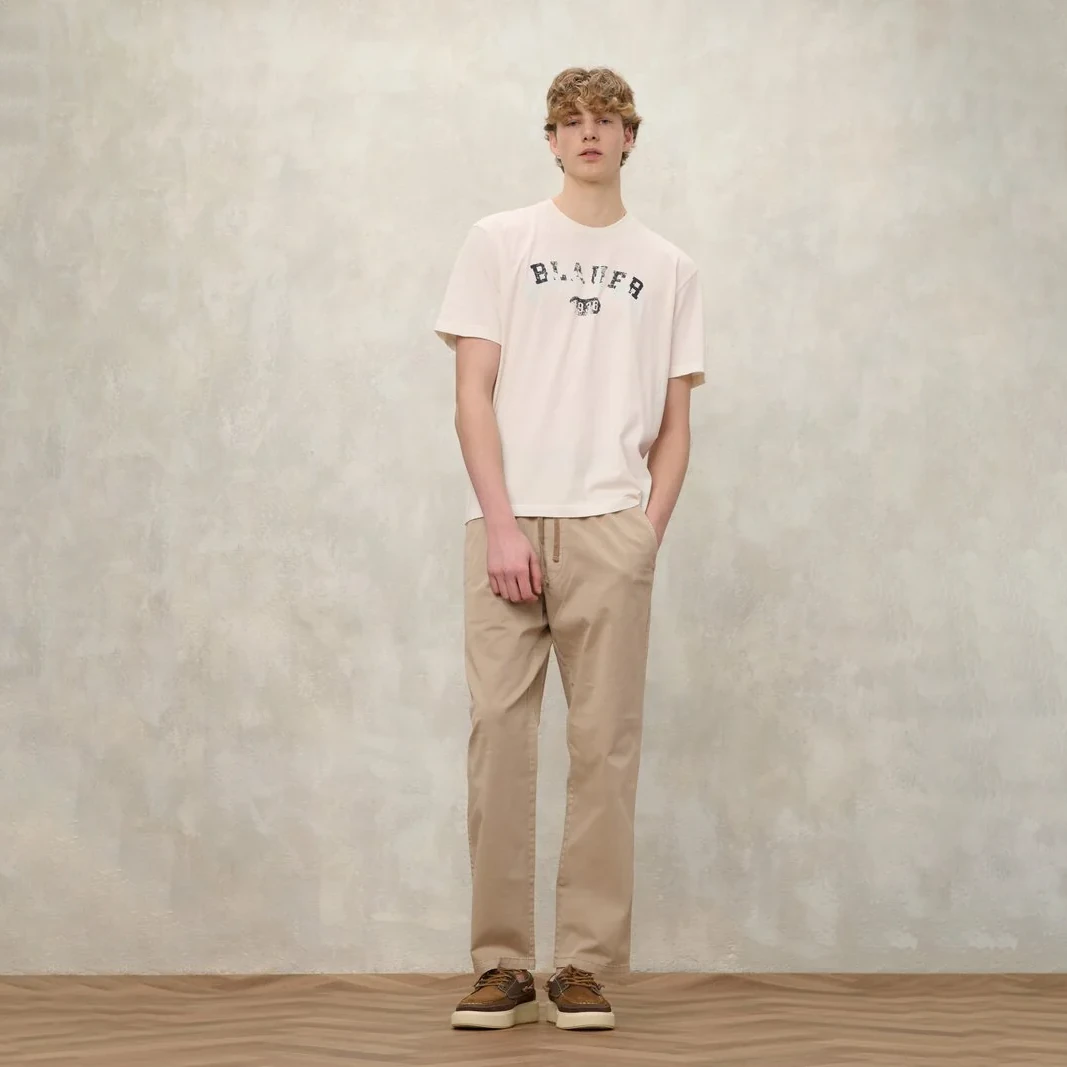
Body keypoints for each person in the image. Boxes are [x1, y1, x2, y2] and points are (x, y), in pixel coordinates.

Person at [434, 66, 705, 1032]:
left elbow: (674, 422)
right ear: (549, 140)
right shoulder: (500, 240)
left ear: (631, 137)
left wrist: (643, 533)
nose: (589, 133)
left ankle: (584, 965)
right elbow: (472, 393)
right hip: (507, 523)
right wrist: (502, 522)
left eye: (606, 119)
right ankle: (502, 965)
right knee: (498, 743)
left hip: (609, 533)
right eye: (571, 120)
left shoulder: (667, 266)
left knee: (605, 748)